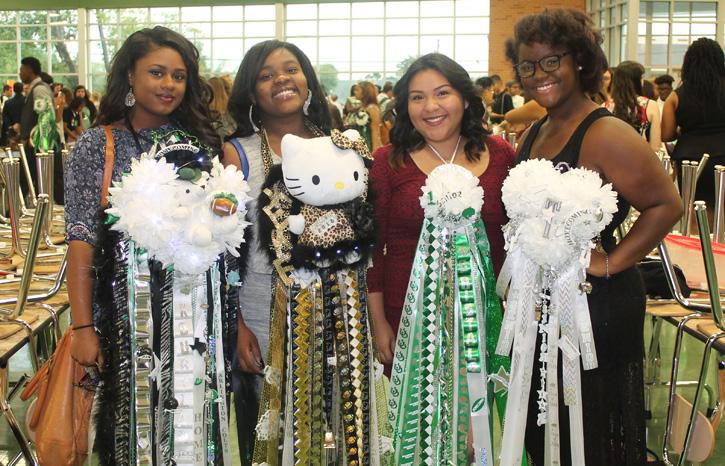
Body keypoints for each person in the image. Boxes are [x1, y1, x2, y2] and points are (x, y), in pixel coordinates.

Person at [506, 9, 681, 465]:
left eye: (551, 61)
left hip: (594, 309)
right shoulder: (538, 130)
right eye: (528, 66)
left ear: (579, 61)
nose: (539, 75)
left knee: (590, 435)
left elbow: (666, 204)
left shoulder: (606, 132)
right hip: (541, 310)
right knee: (545, 433)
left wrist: (611, 262)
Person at [64, 26, 232, 464]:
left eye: (179, 76)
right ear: (130, 80)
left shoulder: (200, 146)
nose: (169, 85)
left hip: (197, 320)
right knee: (133, 435)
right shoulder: (97, 145)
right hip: (126, 323)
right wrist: (82, 327)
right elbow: (81, 240)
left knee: (195, 431)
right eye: (157, 72)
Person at [368, 53, 516, 461]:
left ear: (465, 99)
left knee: (475, 432)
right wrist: (379, 322)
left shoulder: (500, 155)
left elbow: (512, 237)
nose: (430, 107)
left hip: (484, 319)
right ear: (404, 106)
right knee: (416, 431)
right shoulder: (388, 161)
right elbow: (372, 250)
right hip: (409, 319)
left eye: (442, 93)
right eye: (417, 97)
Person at [223, 39, 332, 465]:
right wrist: (237, 323)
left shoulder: (339, 145)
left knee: (329, 436)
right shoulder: (239, 152)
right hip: (260, 314)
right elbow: (225, 246)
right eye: (266, 75)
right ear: (252, 93)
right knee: (265, 440)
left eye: (290, 69)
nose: (281, 80)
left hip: (331, 316)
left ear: (307, 80)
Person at [662, 37, 725, 205]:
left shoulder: (676, 96)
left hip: (690, 158)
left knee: (694, 210)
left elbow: (667, 134)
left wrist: (683, 130)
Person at [605, 61, 662, 153]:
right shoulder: (650, 105)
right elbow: (655, 147)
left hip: (611, 161)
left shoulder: (605, 107)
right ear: (637, 81)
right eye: (642, 78)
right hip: (641, 161)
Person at [19, 56, 54, 195]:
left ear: (30, 70)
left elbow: (45, 117)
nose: (20, 73)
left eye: (22, 70)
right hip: (35, 146)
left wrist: (39, 143)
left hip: (36, 147)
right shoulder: (36, 89)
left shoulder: (39, 89)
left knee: (32, 183)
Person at [358, 80, 383, 151]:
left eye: (357, 90)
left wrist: (375, 151)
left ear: (364, 92)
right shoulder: (362, 107)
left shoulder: (372, 108)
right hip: (361, 144)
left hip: (369, 146)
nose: (355, 92)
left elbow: (375, 130)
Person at [1, 82, 24, 147]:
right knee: (24, 150)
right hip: (24, 130)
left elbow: (4, 116)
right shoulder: (26, 101)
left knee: (12, 150)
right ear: (22, 89)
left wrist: (11, 126)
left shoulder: (8, 102)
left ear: (13, 90)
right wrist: (20, 123)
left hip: (11, 130)